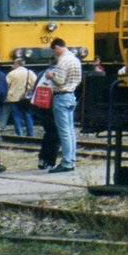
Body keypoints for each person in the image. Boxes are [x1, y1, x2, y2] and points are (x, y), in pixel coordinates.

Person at [45, 37, 82, 173]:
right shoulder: (75, 60)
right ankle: (71, 160)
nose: (55, 54)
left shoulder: (63, 61)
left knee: (64, 132)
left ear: (57, 47)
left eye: (54, 51)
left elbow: (60, 81)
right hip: (71, 95)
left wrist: (51, 76)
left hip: (61, 96)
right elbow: (78, 79)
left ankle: (66, 162)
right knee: (70, 131)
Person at [32, 65, 58, 170]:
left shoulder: (41, 74)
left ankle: (43, 158)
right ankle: (50, 161)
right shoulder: (57, 73)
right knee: (55, 134)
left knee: (49, 132)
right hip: (54, 106)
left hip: (44, 106)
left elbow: (36, 89)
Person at [5, 58, 38, 136]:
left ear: (17, 64)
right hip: (26, 98)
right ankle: (30, 134)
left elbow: (6, 84)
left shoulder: (12, 73)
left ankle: (19, 134)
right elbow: (35, 84)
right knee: (27, 115)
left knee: (16, 116)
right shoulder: (30, 73)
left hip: (13, 98)